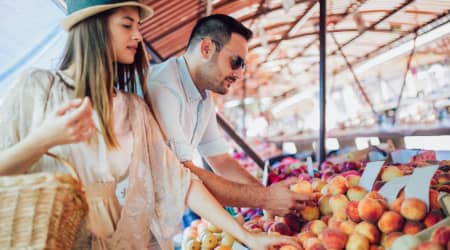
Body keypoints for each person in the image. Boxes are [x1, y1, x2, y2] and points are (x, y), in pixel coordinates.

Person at [0, 1, 301, 249]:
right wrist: (42, 140)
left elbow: (179, 179)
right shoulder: (37, 89)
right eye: (127, 25)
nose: (138, 37)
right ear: (94, 26)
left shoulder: (133, 109)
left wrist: (247, 235)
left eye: (138, 27)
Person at [148, 14, 313, 216]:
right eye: (235, 62)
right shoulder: (164, 88)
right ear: (206, 48)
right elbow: (183, 172)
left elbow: (221, 160)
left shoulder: (203, 97)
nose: (239, 73)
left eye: (243, 66)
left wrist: (269, 195)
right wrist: (266, 198)